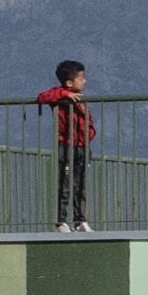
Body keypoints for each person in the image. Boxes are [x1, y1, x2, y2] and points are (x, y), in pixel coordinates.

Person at [39, 60, 94, 233]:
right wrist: (64, 94)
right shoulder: (60, 96)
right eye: (81, 78)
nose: (84, 82)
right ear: (69, 82)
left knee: (81, 184)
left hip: (82, 146)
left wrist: (89, 134)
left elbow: (89, 124)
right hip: (66, 145)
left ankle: (80, 220)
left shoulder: (81, 101)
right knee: (65, 183)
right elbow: (42, 97)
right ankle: (61, 221)